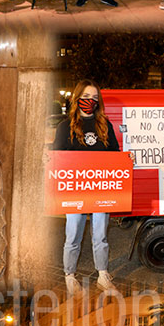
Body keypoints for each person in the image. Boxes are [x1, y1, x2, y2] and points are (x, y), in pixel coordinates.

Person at [52, 79, 120, 295]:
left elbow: (115, 153)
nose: (89, 101)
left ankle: (102, 274)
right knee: (73, 235)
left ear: (98, 101)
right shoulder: (65, 127)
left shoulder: (104, 125)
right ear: (77, 98)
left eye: (94, 98)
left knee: (100, 234)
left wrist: (126, 160)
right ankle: (70, 276)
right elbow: (57, 157)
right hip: (74, 190)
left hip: (100, 189)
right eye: (86, 97)